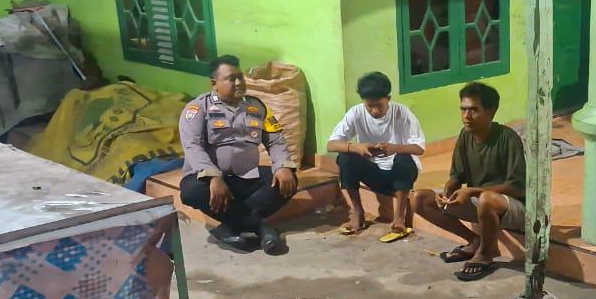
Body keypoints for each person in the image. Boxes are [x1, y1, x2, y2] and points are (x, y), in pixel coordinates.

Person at [179, 55, 298, 255]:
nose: (238, 83)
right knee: (191, 192)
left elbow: (275, 140)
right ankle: (261, 227)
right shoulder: (198, 108)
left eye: (240, 77)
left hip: (245, 176)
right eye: (231, 78)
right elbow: (192, 146)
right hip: (209, 179)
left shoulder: (257, 107)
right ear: (214, 84)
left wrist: (282, 165)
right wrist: (214, 177)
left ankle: (230, 227)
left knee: (288, 180)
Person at [410, 82, 526, 282]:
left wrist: (472, 191)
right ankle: (474, 241)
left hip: (513, 207)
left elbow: (517, 187)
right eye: (463, 110)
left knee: (487, 198)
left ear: (491, 111)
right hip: (480, 203)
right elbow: (456, 176)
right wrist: (447, 191)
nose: (466, 116)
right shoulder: (465, 135)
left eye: (473, 110)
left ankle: (487, 253)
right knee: (419, 199)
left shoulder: (508, 138)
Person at [326, 71, 426, 242]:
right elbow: (331, 144)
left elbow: (419, 148)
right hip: (373, 174)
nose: (374, 111)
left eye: (379, 105)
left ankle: (399, 217)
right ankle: (358, 212)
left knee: (403, 158)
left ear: (388, 98)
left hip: (399, 175)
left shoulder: (402, 113)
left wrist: (394, 148)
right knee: (345, 157)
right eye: (369, 106)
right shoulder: (356, 113)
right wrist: (356, 147)